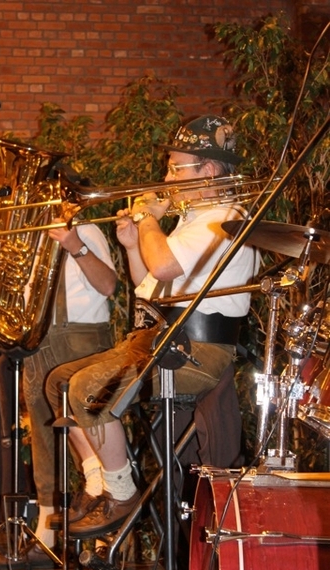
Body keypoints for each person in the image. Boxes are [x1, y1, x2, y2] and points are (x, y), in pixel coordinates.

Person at [45, 114, 260, 538]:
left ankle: (122, 493)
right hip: (161, 336)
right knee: (59, 383)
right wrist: (131, 244)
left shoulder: (227, 215)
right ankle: (99, 483)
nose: (166, 177)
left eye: (175, 168)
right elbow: (150, 285)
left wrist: (147, 220)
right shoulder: (195, 218)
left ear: (209, 170)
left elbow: (162, 264)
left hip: (198, 348)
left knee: (88, 390)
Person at [0, 211, 117, 566]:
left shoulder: (85, 229)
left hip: (81, 342)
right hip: (37, 344)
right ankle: (47, 532)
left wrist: (76, 246)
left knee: (91, 436)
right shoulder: (25, 237)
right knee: (43, 439)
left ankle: (106, 537)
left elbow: (109, 286)